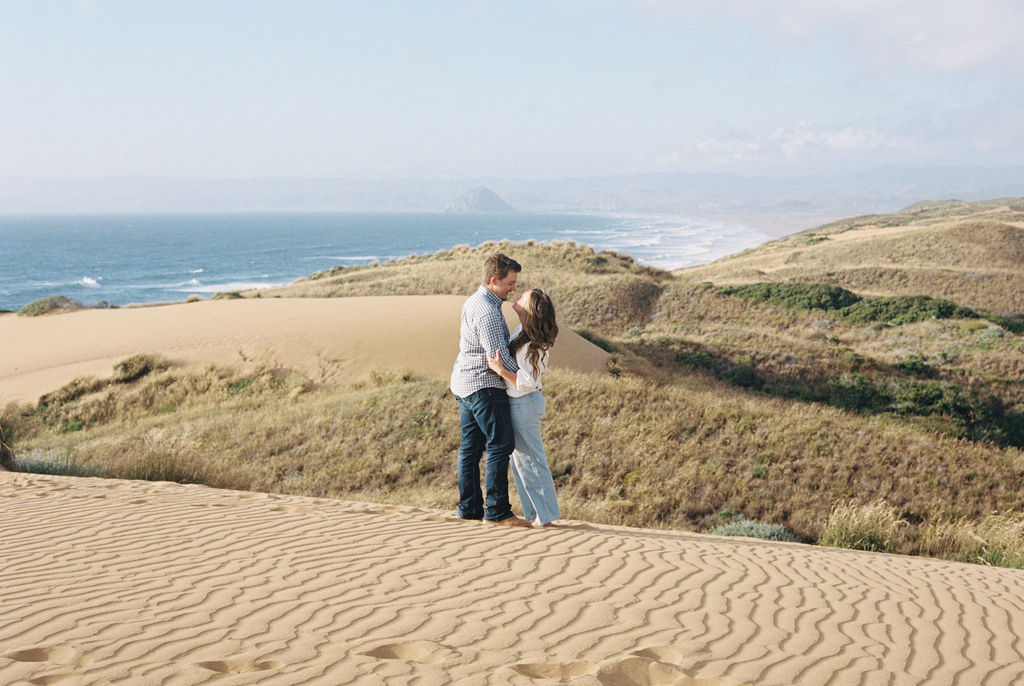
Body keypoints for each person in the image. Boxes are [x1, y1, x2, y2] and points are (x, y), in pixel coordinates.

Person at [449, 253, 532, 527]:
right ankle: (497, 512)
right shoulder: (488, 313)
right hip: (484, 386)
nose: (513, 288)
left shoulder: (473, 301)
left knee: (470, 449)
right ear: (494, 280)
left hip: (464, 383)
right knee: (501, 444)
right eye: (510, 283)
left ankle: (469, 509)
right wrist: (527, 379)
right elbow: (500, 359)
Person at [486, 288, 561, 527]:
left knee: (531, 460)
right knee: (519, 461)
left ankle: (546, 517)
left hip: (525, 402)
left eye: (523, 297)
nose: (517, 297)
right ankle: (533, 514)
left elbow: (528, 381)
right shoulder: (522, 331)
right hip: (519, 402)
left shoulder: (532, 342)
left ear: (531, 309)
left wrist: (500, 370)